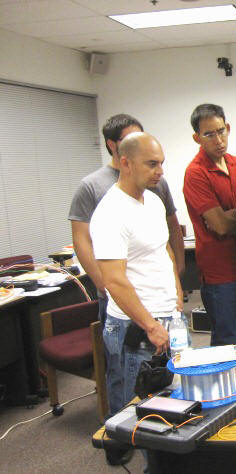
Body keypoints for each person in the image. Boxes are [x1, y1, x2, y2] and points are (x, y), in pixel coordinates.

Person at [90, 132, 182, 417]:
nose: (160, 171)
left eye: (161, 163)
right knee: (139, 406)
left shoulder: (152, 201)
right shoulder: (110, 212)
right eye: (152, 164)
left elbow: (163, 248)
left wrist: (177, 292)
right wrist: (150, 326)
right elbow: (113, 280)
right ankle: (127, 450)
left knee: (173, 393)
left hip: (168, 315)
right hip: (137, 325)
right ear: (126, 163)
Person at [69, 114, 184, 325]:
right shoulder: (95, 190)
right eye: (152, 164)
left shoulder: (153, 194)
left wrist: (176, 287)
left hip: (163, 305)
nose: (159, 171)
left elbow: (165, 241)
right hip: (127, 310)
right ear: (115, 146)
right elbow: (82, 241)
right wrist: (106, 287)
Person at [183, 104, 236, 353]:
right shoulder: (196, 173)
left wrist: (234, 215)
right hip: (219, 274)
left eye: (221, 131)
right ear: (197, 138)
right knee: (227, 341)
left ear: (228, 128)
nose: (218, 139)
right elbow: (220, 226)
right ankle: (225, 392)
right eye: (209, 134)